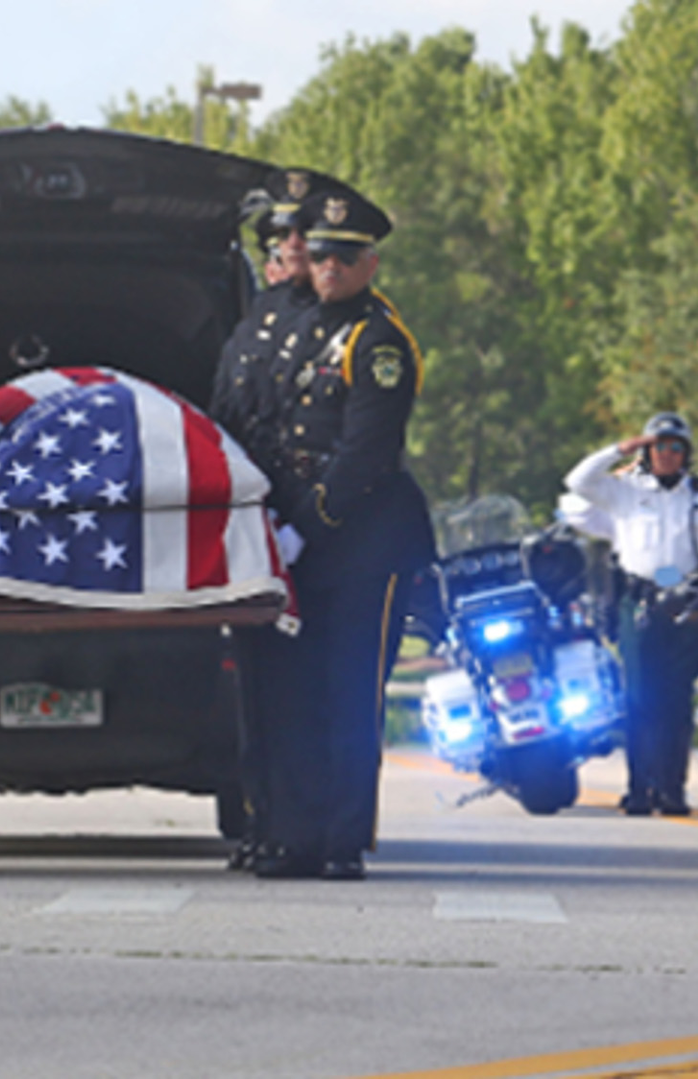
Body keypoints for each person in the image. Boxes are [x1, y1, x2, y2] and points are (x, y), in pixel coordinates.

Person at [255, 186, 435, 881]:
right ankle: (297, 834)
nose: (329, 267)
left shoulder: (380, 339)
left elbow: (367, 452)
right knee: (296, 690)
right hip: (301, 529)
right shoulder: (307, 331)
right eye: (321, 254)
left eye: (345, 257)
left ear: (370, 264)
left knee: (350, 690)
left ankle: (340, 839)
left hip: (360, 540)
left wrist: (308, 522)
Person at [209, 169, 324, 871]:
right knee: (257, 687)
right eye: (277, 249)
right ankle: (265, 821)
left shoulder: (334, 326)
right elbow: (228, 416)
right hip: (257, 524)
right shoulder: (254, 329)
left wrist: (303, 522)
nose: (285, 259)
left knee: (303, 689)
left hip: (307, 526)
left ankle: (306, 829)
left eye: (295, 247)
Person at [564, 411, 698, 817]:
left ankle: (672, 789)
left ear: (686, 454)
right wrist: (622, 450)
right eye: (658, 447)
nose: (667, 454)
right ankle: (639, 788)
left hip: (686, 606)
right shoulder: (625, 491)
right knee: (639, 699)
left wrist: (697, 590)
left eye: (674, 447)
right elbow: (577, 483)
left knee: (677, 701)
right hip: (640, 603)